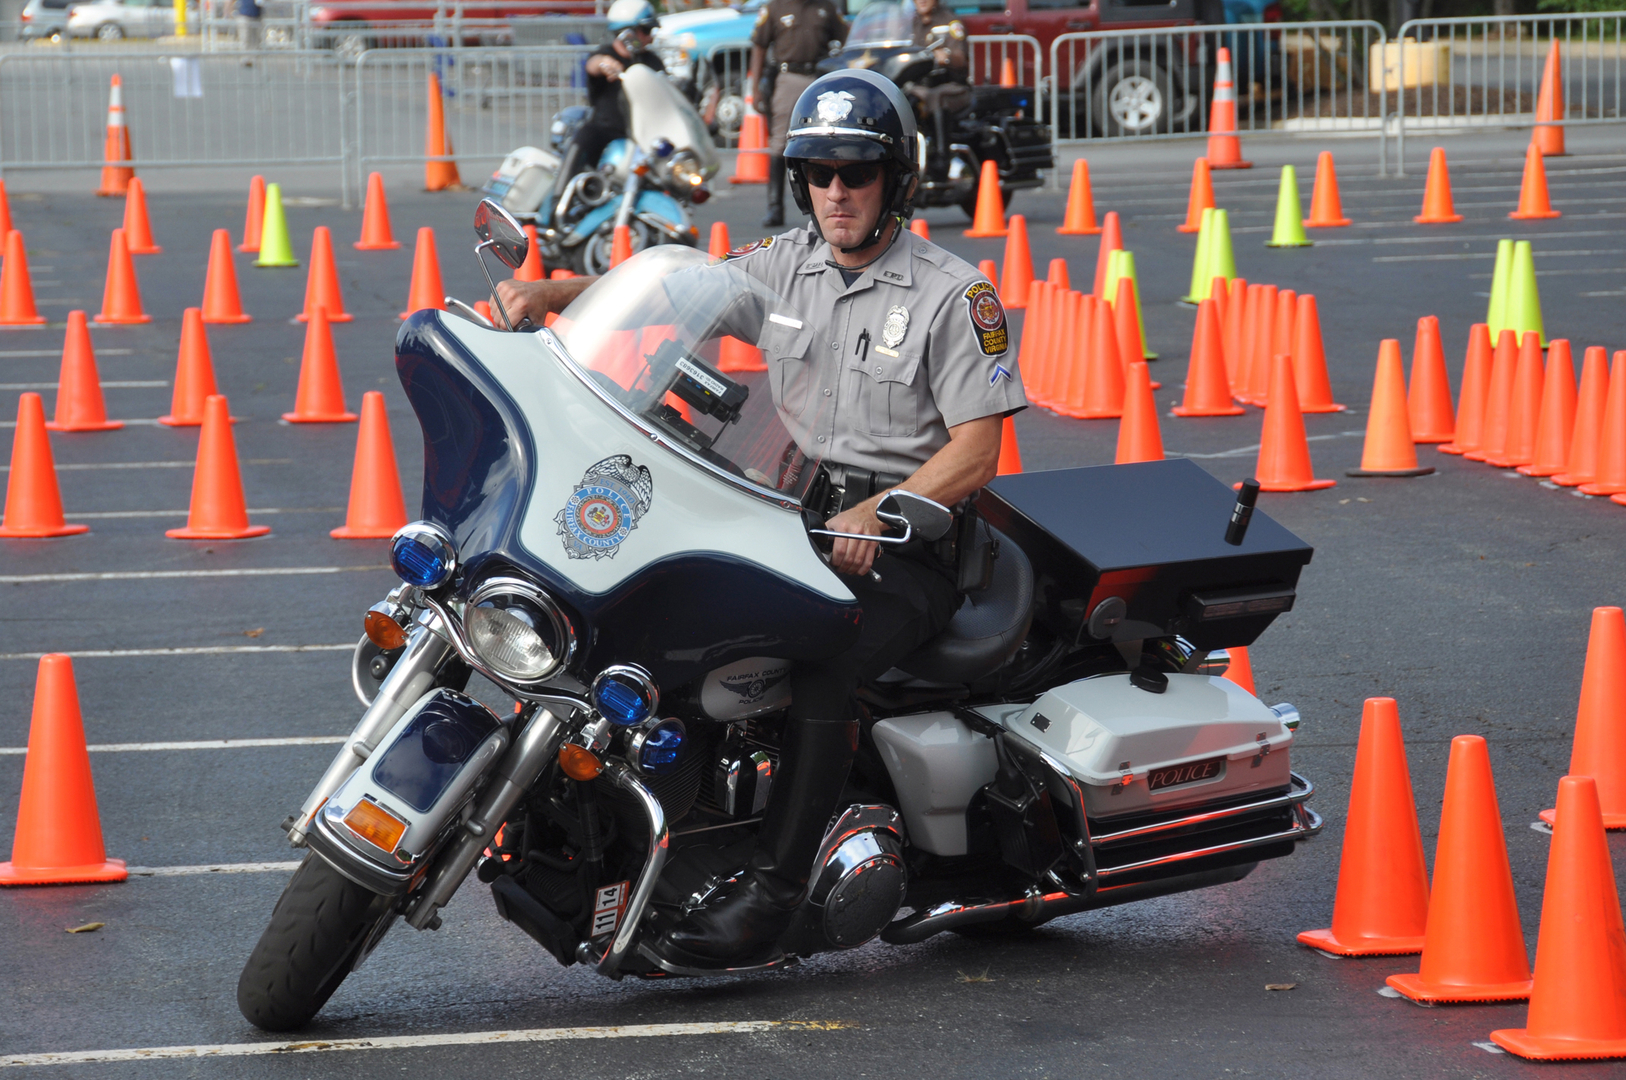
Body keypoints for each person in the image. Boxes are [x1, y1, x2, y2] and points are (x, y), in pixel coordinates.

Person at [495, 69, 1026, 966]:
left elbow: (977, 452)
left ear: (894, 179)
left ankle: (775, 890)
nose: (836, 191)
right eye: (818, 171)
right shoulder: (786, 266)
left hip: (905, 546)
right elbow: (678, 295)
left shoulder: (951, 294)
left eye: (856, 171)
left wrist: (883, 508)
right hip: (791, 516)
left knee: (818, 655)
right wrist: (552, 299)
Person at [540, 0, 664, 229]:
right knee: (584, 138)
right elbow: (593, 64)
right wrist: (604, 64)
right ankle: (556, 210)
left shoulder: (651, 60)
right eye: (646, 30)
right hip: (606, 129)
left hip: (642, 134)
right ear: (627, 32)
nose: (650, 37)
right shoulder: (606, 54)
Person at [747, 0, 846, 228]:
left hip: (820, 77)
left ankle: (824, 206)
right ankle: (774, 207)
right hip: (789, 76)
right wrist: (755, 88)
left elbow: (846, 38)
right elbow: (759, 45)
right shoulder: (775, 7)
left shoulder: (826, 7)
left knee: (824, 140)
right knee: (780, 141)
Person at [903, 0, 970, 170]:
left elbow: (960, 57)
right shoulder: (910, 23)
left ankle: (942, 160)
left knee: (936, 97)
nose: (922, 1)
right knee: (902, 98)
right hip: (920, 85)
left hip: (951, 84)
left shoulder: (950, 22)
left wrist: (946, 55)